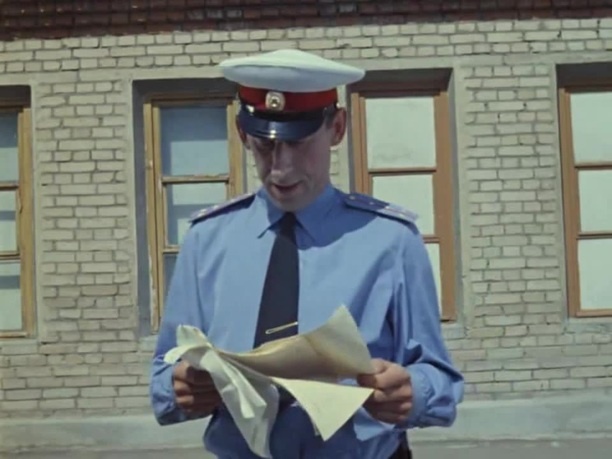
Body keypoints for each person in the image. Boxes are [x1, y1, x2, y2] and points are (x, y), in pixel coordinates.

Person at [149, 48, 464, 459]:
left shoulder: (391, 241)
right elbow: (164, 372)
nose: (281, 168)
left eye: (299, 144)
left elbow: (440, 380)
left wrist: (411, 392)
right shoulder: (206, 241)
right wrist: (180, 385)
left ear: (337, 128)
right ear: (243, 133)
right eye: (265, 146)